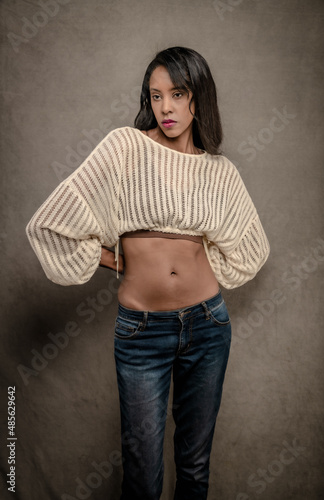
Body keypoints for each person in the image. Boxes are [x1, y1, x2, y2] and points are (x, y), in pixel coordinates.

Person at [26, 46, 270, 500]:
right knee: (142, 473)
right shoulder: (124, 148)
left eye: (178, 94)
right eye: (156, 96)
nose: (166, 108)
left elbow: (251, 247)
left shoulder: (219, 171)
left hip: (208, 326)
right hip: (141, 332)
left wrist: (196, 267)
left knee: (195, 467)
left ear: (199, 97)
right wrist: (121, 261)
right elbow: (51, 222)